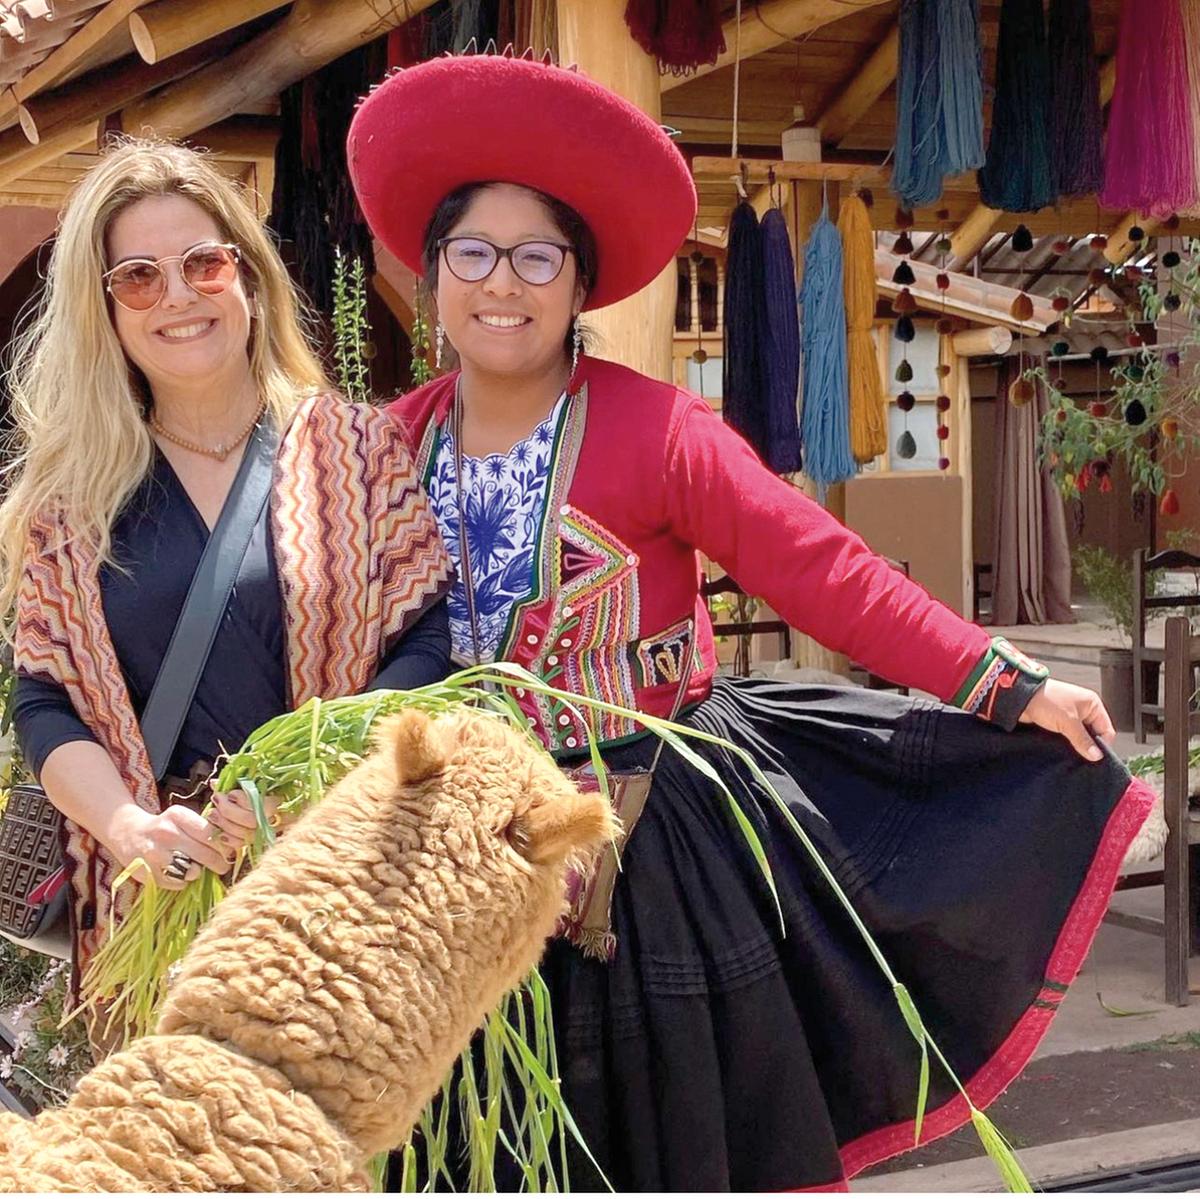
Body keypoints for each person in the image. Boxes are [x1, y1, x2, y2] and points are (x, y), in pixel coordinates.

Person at [348, 54, 1153, 1191]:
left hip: (643, 842)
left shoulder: (658, 428)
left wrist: (1002, 681)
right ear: (432, 275)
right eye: (472, 253)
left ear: (581, 284)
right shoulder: (389, 442)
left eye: (539, 257)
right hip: (444, 853)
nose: (503, 285)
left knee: (658, 1136)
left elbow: (824, 572)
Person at [2, 139, 452, 1013]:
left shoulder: (355, 449)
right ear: (107, 309)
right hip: (159, 904)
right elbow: (44, 699)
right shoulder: (76, 494)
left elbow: (426, 637)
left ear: (247, 277)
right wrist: (127, 827)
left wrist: (318, 776)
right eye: (139, 276)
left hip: (341, 882)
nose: (177, 296)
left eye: (203, 263)